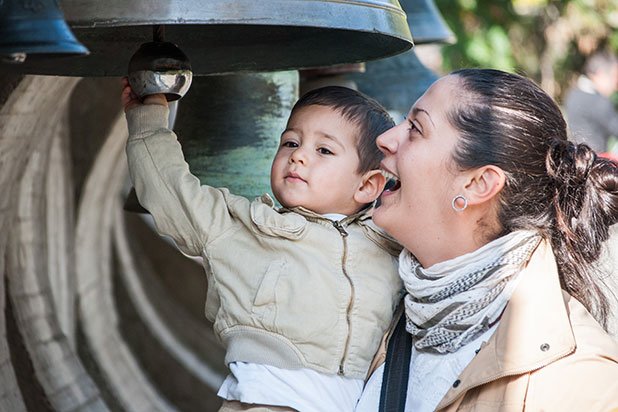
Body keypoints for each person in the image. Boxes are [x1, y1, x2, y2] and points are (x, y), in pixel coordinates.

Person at [121, 80, 403, 411]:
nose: (298, 155)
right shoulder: (242, 228)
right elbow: (171, 191)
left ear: (368, 185)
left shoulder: (389, 245)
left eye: (323, 150)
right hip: (265, 402)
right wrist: (148, 119)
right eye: (290, 142)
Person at [356, 68, 618, 411]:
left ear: (478, 185)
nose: (386, 138)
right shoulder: (374, 300)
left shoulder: (578, 382)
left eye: (416, 129)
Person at [564, 50, 618, 155]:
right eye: (614, 77)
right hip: (597, 160)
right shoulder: (598, 101)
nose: (616, 84)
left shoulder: (572, 94)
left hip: (576, 158)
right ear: (600, 74)